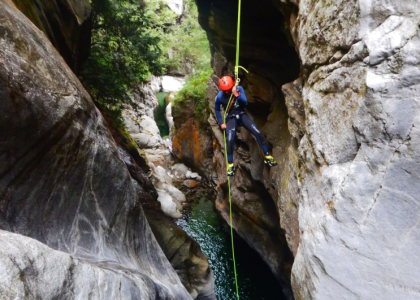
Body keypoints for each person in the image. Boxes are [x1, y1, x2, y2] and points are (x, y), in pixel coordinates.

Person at [215, 75, 277, 176]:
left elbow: (244, 103)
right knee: (230, 138)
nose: (227, 92)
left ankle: (267, 155)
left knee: (257, 132)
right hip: (231, 117)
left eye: (228, 90)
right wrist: (221, 123)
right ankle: (230, 164)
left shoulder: (239, 89)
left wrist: (236, 94)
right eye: (224, 90)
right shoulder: (220, 96)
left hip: (241, 114)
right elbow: (217, 109)